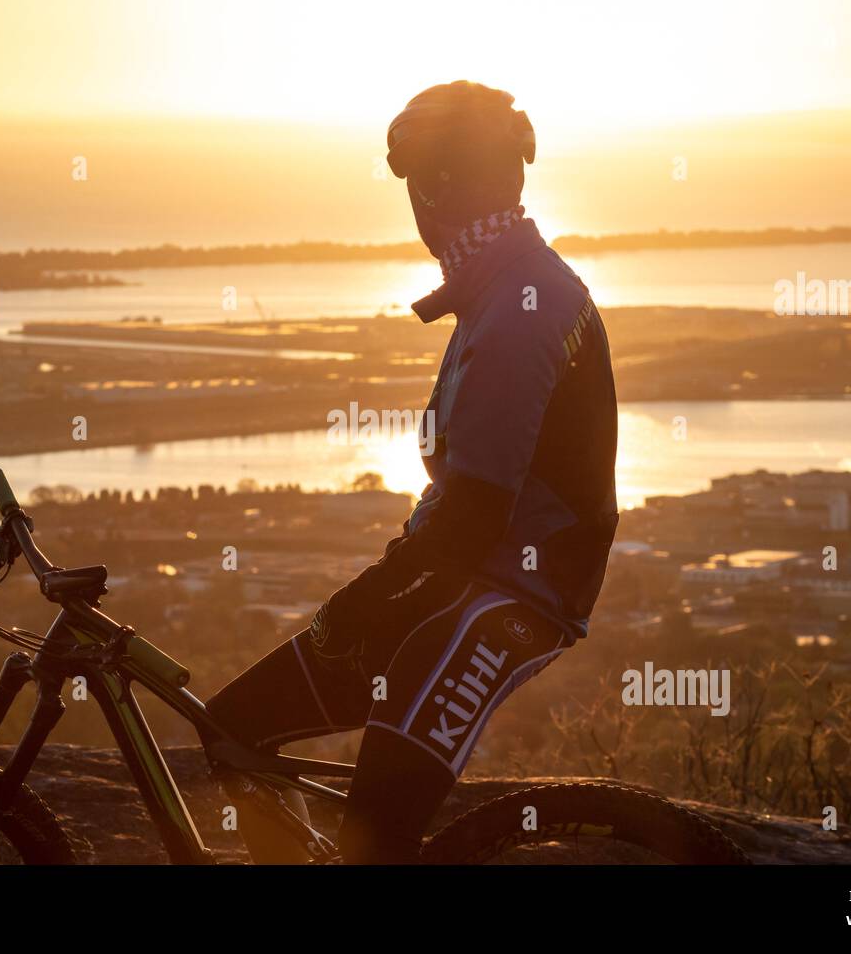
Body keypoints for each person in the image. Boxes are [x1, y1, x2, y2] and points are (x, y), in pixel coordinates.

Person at [203, 80, 620, 863]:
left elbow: (470, 519)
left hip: (513, 595)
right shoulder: (505, 285)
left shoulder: (519, 307)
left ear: (432, 190)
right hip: (466, 581)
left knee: (374, 841)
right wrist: (367, 606)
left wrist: (358, 606)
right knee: (229, 731)